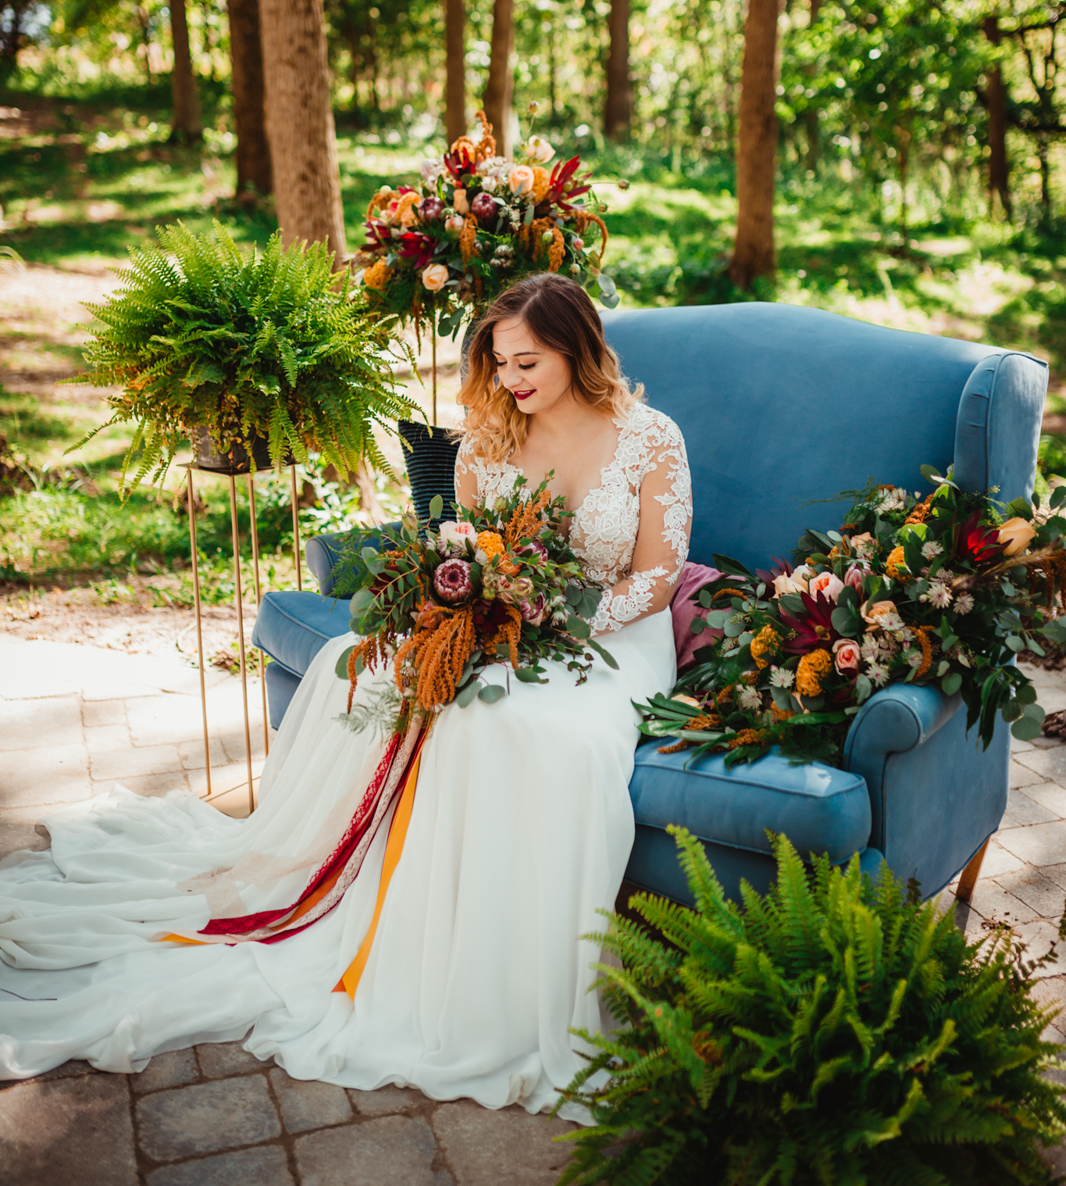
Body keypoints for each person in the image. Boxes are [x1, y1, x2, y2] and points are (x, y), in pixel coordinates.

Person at [0, 274, 692, 1117]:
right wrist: (471, 607)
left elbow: (657, 576)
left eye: (528, 361)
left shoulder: (650, 437)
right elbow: (458, 548)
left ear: (576, 351)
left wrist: (559, 615)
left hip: (616, 637)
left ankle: (494, 979)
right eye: (499, 362)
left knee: (538, 734)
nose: (511, 379)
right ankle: (381, 922)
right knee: (349, 668)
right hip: (504, 621)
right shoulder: (488, 437)